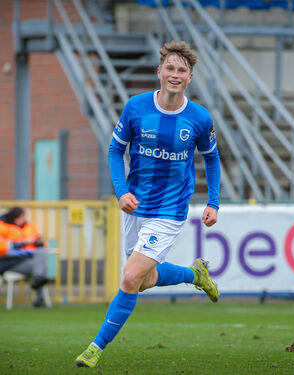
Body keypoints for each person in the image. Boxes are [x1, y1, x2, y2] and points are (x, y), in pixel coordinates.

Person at [75, 40, 221, 368]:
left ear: (190, 77)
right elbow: (115, 150)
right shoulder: (136, 107)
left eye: (181, 70)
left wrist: (214, 201)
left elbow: (211, 159)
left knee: (129, 278)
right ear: (159, 72)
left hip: (169, 210)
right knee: (143, 280)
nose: (175, 74)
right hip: (135, 207)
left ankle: (95, 349)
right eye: (170, 68)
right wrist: (121, 190)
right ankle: (194, 275)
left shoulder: (198, 117)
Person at [0, 207, 49, 307]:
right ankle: (39, 298)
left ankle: (38, 280)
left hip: (25, 258)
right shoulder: (2, 226)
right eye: (19, 217)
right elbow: (3, 247)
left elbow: (41, 244)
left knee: (42, 253)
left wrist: (38, 243)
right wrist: (21, 243)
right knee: (40, 268)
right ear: (13, 217)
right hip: (9, 261)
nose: (22, 220)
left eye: (23, 217)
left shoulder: (28, 226)